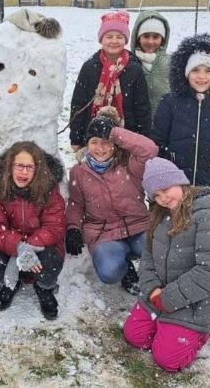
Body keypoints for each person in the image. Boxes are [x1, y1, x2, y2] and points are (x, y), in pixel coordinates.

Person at [122, 157, 210, 372]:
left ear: (179, 181)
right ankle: (167, 325)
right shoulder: (160, 215)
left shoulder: (207, 216)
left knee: (167, 360)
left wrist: (168, 298)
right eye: (156, 195)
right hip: (159, 294)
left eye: (165, 189)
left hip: (194, 300)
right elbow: (148, 257)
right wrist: (152, 289)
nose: (163, 198)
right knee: (135, 337)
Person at [66, 107, 158, 294]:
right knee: (109, 272)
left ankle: (151, 274)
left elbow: (150, 149)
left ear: (115, 144)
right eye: (94, 142)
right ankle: (126, 271)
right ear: (87, 144)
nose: (100, 148)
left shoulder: (130, 164)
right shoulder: (78, 172)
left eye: (106, 142)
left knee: (163, 253)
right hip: (104, 234)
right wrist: (73, 228)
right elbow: (76, 203)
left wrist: (114, 132)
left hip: (139, 227)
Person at [0, 141, 65, 319]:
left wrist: (30, 246)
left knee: (52, 259)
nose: (23, 172)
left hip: (41, 250)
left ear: (37, 169)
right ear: (10, 166)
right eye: (19, 165)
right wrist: (18, 247)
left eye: (29, 167)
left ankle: (44, 288)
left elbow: (54, 226)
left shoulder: (49, 189)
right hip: (10, 248)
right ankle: (11, 283)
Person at [151, 33, 210, 199]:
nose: (201, 76)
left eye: (208, 71)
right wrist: (160, 176)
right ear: (185, 73)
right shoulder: (170, 102)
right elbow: (158, 143)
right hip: (175, 184)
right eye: (195, 70)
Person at [69, 10, 151, 151]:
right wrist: (75, 138)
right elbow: (78, 104)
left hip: (126, 135)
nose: (114, 41)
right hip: (92, 136)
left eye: (119, 37)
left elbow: (142, 108)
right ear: (101, 39)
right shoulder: (90, 67)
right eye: (109, 36)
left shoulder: (134, 69)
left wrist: (142, 138)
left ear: (125, 40)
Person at [131, 10, 171, 115]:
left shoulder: (171, 64)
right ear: (138, 38)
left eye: (156, 37)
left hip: (163, 122)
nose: (150, 42)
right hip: (137, 124)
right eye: (146, 36)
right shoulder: (129, 62)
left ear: (162, 39)